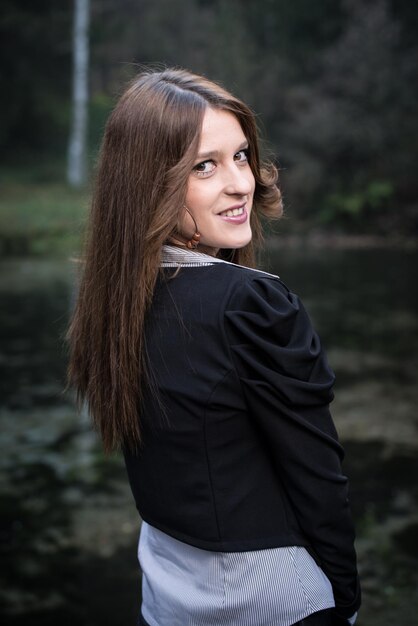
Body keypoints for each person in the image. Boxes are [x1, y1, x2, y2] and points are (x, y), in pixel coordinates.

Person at [67, 68, 361, 626]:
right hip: (269, 596)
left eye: (241, 156)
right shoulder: (251, 304)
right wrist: (343, 599)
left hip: (165, 581)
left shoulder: (116, 295)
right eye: (205, 165)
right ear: (149, 184)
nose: (240, 183)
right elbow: (318, 476)